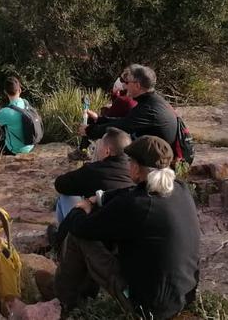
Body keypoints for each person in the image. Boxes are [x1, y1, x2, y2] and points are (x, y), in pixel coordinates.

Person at [55, 136, 200, 319]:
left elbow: (81, 228)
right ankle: (78, 293)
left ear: (137, 168)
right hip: (182, 297)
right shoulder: (180, 189)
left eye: (130, 161)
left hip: (147, 308)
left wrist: (82, 208)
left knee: (81, 238)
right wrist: (100, 198)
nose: (128, 164)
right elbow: (127, 192)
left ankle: (65, 304)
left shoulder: (135, 205)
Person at [81, 65, 178, 151]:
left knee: (113, 144)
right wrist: (99, 119)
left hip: (154, 159)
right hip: (157, 151)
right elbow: (126, 121)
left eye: (126, 82)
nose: (123, 86)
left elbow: (122, 127)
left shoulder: (148, 109)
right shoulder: (153, 101)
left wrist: (90, 130)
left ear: (137, 85)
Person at [54, 128, 133, 224]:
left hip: (96, 229)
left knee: (66, 196)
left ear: (107, 151)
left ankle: (62, 235)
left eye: (99, 146)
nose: (96, 149)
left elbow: (60, 184)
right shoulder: (136, 172)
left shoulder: (94, 170)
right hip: (126, 229)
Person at [70, 69, 139, 160]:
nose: (119, 81)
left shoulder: (123, 100)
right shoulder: (139, 102)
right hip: (129, 139)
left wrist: (90, 129)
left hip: (121, 139)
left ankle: (82, 150)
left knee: (91, 121)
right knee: (95, 119)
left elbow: (111, 121)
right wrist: (98, 118)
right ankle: (83, 150)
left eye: (122, 80)